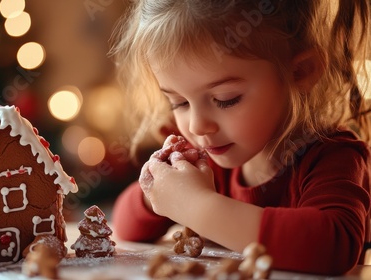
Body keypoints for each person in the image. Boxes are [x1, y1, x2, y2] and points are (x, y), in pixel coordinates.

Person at [109, 0, 371, 276]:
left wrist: (196, 206)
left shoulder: (334, 156)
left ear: (300, 72)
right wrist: (159, 193)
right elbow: (125, 227)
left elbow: (330, 247)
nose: (197, 126)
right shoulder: (211, 162)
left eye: (225, 99)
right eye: (179, 103)